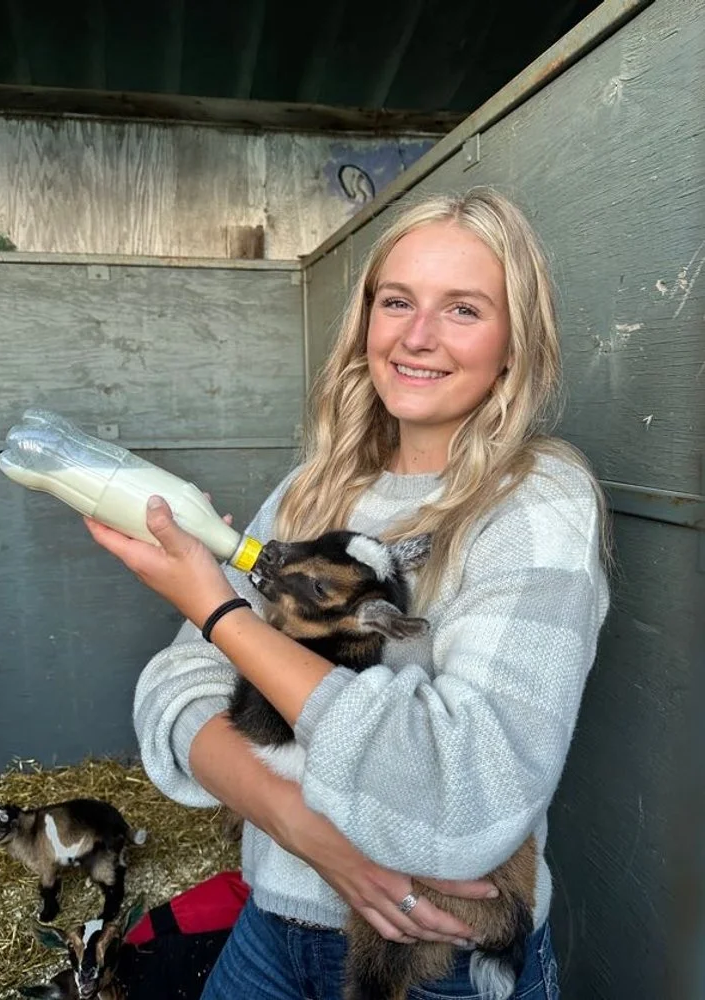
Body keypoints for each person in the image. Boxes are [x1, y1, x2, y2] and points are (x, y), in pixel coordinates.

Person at [86, 187, 609, 1000]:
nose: (416, 336)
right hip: (273, 921)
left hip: (432, 954)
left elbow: (462, 798)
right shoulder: (313, 490)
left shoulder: (536, 500)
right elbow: (175, 689)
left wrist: (221, 613)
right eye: (396, 301)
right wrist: (308, 833)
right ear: (366, 319)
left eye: (463, 309)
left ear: (514, 344)